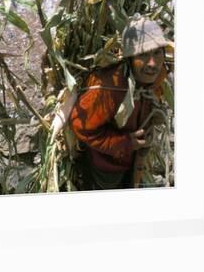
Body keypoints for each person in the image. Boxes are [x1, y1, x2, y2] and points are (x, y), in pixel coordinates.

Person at [69, 14, 172, 190]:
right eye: (143, 55)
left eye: (157, 53)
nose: (153, 63)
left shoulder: (156, 77)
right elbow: (81, 125)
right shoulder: (109, 86)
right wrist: (124, 143)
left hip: (133, 162)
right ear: (130, 59)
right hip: (105, 168)